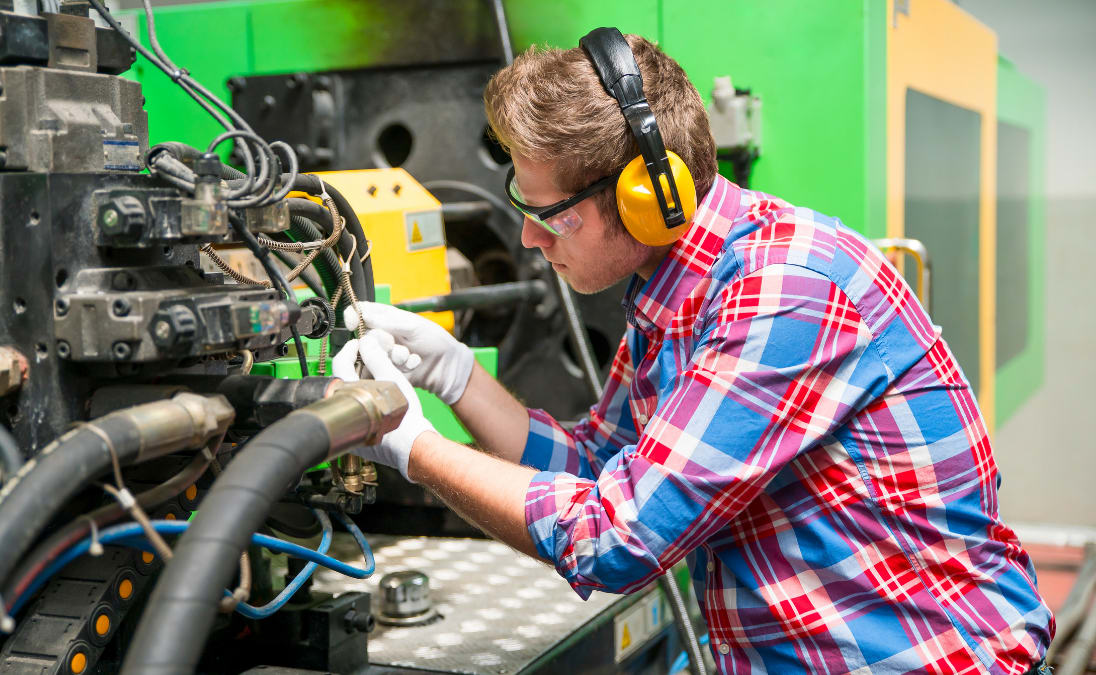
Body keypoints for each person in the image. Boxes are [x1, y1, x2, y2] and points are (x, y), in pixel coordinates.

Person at [332, 28, 1053, 674]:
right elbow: (596, 466)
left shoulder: (785, 291)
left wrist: (409, 444)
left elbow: (613, 538)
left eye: (550, 215)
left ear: (648, 195)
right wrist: (456, 376)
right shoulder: (673, 289)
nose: (529, 239)